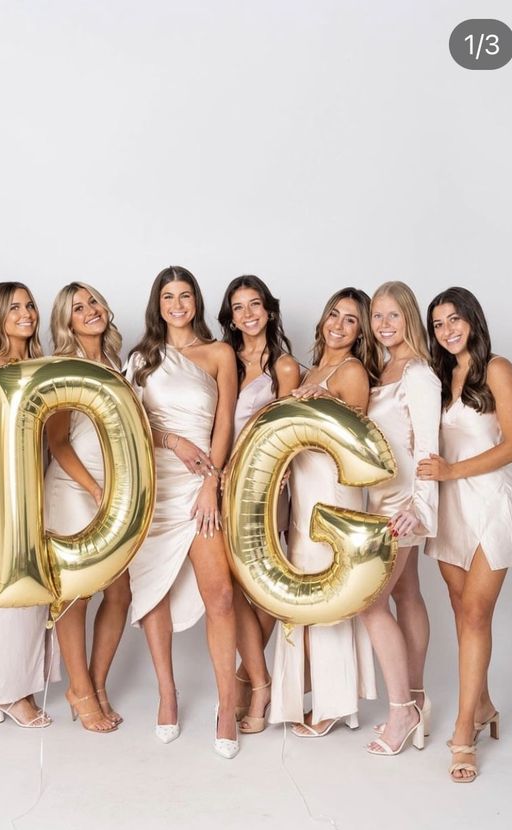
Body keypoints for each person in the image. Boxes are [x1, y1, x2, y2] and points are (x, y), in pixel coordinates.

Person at [126, 265, 240, 758]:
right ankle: (167, 694)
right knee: (151, 593)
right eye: (169, 296)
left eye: (186, 295)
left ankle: (228, 706)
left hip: (200, 484)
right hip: (154, 484)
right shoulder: (140, 358)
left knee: (220, 594)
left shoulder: (219, 353)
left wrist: (212, 483)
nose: (178, 304)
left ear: (196, 300)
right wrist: (171, 440)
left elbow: (226, 421)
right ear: (159, 302)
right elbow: (124, 427)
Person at [419, 287, 512, 782]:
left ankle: (464, 732)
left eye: (454, 319)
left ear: (472, 319)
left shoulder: (497, 368)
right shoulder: (437, 379)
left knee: (478, 612)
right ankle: (482, 703)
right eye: (438, 324)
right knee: (462, 612)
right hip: (448, 509)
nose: (447, 330)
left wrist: (452, 471)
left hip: (489, 504)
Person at [271, 288, 380, 738]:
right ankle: (304, 694)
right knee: (300, 592)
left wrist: (325, 403)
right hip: (304, 488)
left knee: (327, 593)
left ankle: (335, 703)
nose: (338, 324)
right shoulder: (312, 368)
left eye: (351, 320)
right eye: (334, 314)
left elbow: (357, 443)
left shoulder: (351, 370)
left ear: (361, 332)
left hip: (332, 493)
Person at [44, 282, 130, 733]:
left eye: (94, 301)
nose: (90, 310)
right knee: (75, 594)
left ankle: (93, 684)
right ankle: (78, 687)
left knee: (119, 593)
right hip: (75, 489)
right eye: (79, 308)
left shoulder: (118, 362)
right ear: (67, 321)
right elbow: (57, 441)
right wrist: (96, 490)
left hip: (116, 493)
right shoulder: (63, 367)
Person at [217, 275, 300, 733]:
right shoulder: (223, 357)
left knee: (265, 584)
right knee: (231, 584)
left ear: (269, 310)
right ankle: (255, 679)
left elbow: (286, 432)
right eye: (238, 307)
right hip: (225, 482)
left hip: (267, 487)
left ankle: (253, 684)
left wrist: (268, 476)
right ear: (230, 316)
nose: (247, 314)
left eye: (255, 305)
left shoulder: (284, 366)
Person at [362, 281, 440, 755]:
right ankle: (417, 697)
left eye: (393, 315)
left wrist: (419, 507)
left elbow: (429, 446)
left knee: (370, 603)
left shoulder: (418, 374)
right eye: (377, 317)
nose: (384, 325)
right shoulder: (383, 367)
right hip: (379, 499)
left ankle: (400, 713)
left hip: (403, 507)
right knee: (407, 593)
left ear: (408, 316)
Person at [0, 282, 58, 728]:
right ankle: (6, 694)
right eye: (14, 308)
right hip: (6, 493)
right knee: (9, 593)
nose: (25, 313)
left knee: (31, 595)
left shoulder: (35, 364)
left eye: (29, 305)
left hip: (33, 490)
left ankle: (15, 687)